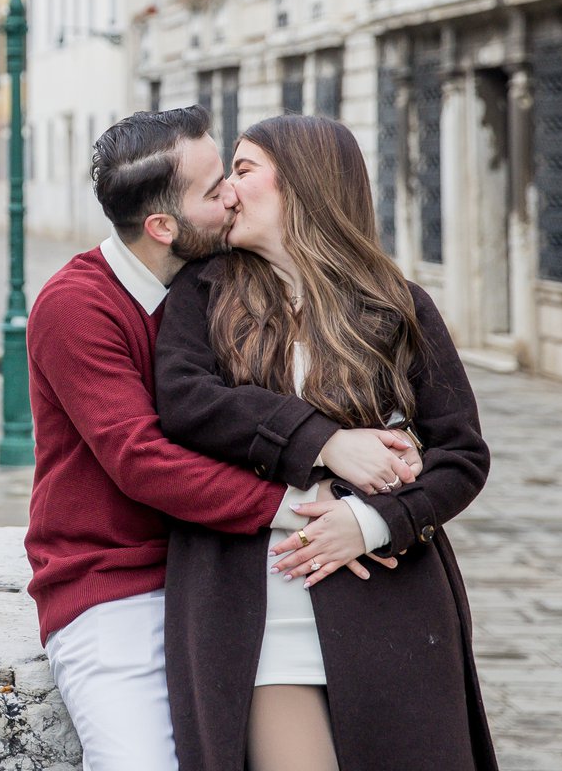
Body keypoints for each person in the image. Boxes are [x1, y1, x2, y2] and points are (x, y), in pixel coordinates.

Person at [25, 108, 418, 770]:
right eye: (215, 190)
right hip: (117, 585)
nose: (234, 193)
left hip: (219, 573)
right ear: (163, 227)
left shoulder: (218, 288)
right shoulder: (76, 306)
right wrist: (316, 506)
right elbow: (141, 460)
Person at [154, 114, 496, 771]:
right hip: (255, 608)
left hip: (390, 608)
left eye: (244, 170)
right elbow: (186, 404)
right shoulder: (204, 294)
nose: (227, 189)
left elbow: (462, 455)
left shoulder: (398, 306)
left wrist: (368, 522)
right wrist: (324, 442)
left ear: (304, 184)